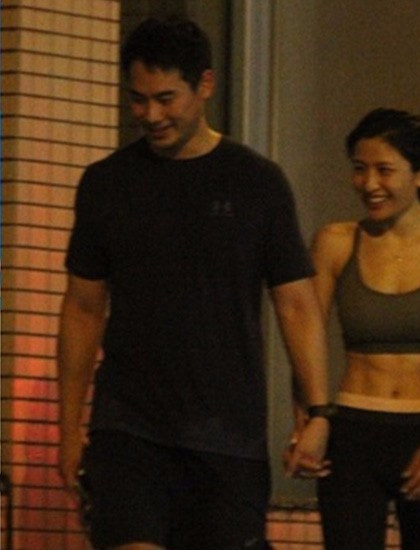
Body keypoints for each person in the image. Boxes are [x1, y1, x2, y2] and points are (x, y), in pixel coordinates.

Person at [57, 17, 331, 550]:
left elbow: (297, 305)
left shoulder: (256, 183)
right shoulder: (107, 184)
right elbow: (82, 309)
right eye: (138, 100)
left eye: (166, 99)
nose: (151, 116)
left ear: (205, 84)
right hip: (129, 429)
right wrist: (69, 429)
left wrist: (318, 413)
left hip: (227, 436)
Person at [308, 108, 420, 549]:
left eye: (385, 170)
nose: (370, 184)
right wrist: (310, 420)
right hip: (355, 429)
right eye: (360, 169)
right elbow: (306, 336)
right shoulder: (335, 241)